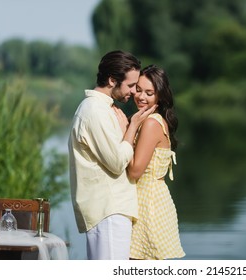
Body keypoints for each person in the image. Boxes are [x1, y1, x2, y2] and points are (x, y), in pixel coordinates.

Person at [68, 50, 156, 260]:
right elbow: (117, 162)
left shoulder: (104, 109)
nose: (135, 92)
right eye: (131, 85)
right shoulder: (94, 111)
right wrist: (132, 126)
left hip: (112, 209)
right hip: (108, 210)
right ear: (111, 80)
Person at [127, 65, 185, 260]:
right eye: (138, 89)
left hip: (148, 206)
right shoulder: (150, 120)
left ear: (160, 95)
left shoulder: (151, 123)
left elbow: (135, 171)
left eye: (149, 93)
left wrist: (128, 127)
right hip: (152, 200)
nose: (141, 97)